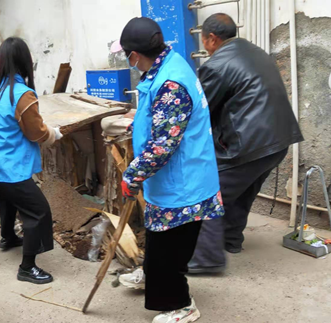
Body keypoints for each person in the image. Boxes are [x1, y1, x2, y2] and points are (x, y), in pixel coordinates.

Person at [113, 17, 224, 323]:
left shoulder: (171, 83)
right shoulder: (168, 63)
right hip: (175, 177)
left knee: (169, 252)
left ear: (134, 56)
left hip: (183, 181)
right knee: (160, 240)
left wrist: (132, 175)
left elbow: (163, 144)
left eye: (126, 55)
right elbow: (164, 117)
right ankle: (152, 275)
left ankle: (181, 304)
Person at [187, 13, 303, 273]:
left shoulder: (216, 65)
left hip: (249, 144)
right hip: (278, 141)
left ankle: (206, 258)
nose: (205, 47)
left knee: (208, 192)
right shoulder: (256, 52)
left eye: (204, 41)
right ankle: (231, 240)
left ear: (212, 39)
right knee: (241, 192)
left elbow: (201, 110)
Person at [0, 37, 61, 285]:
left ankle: (8, 237)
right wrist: (53, 134)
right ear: (26, 61)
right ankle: (27, 267)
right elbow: (36, 132)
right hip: (9, 165)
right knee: (38, 212)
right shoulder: (21, 94)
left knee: (7, 199)